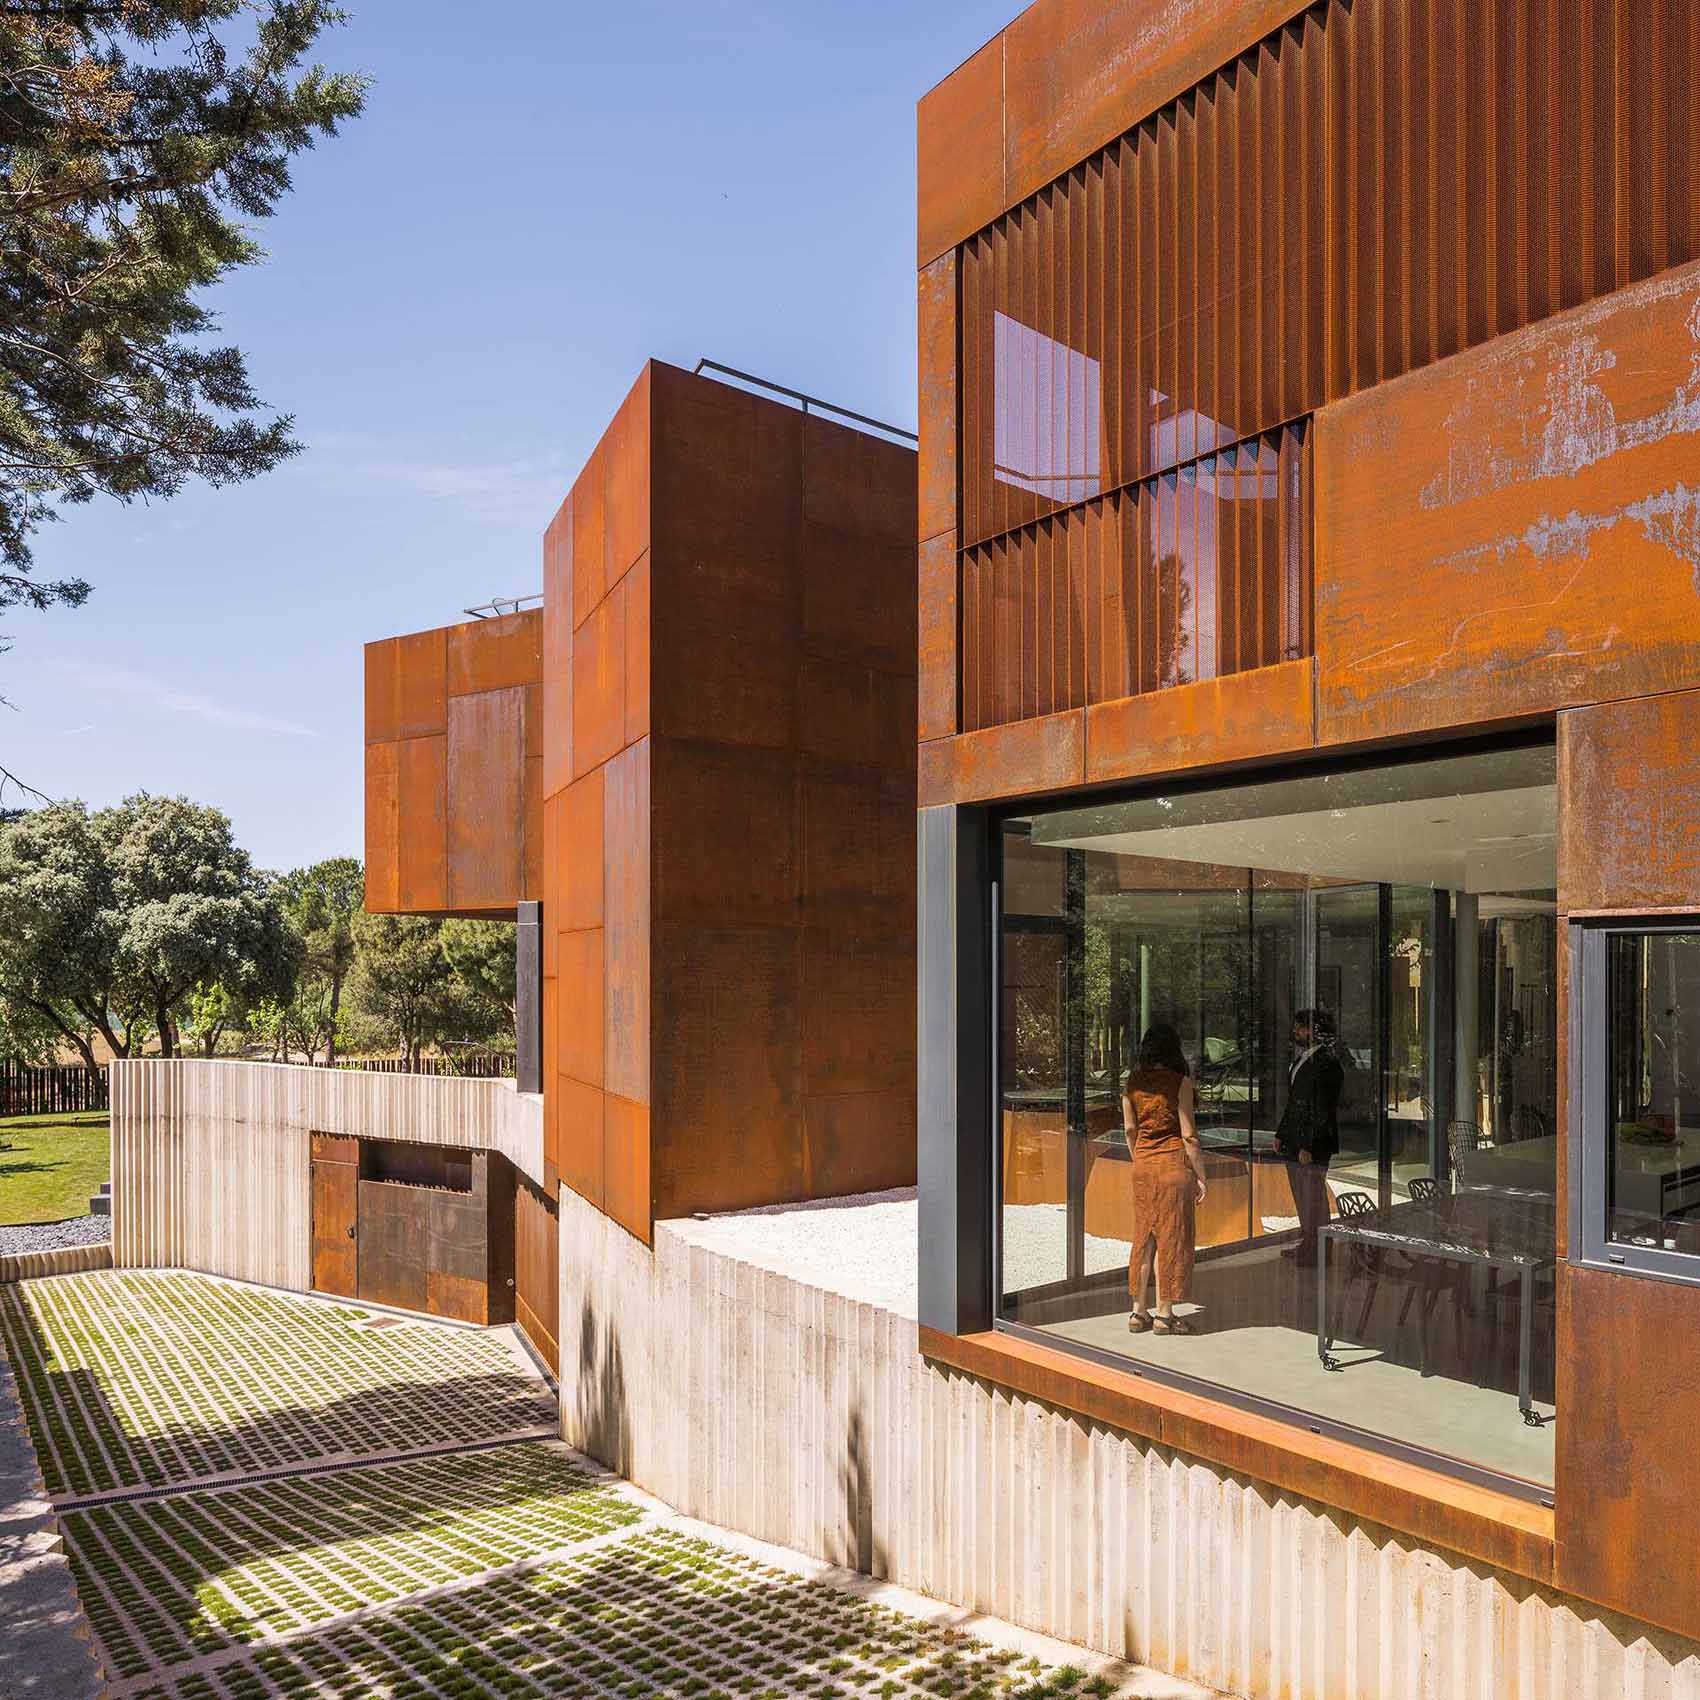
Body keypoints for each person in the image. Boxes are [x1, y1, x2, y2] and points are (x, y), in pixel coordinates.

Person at [1123, 1023, 1208, 1336]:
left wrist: (1139, 1156)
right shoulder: (1180, 1083)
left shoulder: (1132, 1082)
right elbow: (1189, 1136)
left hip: (1143, 1165)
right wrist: (1202, 1176)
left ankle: (1137, 1312)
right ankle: (1164, 1314)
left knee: (1143, 1238)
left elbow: (1130, 1130)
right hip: (1173, 1165)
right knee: (1171, 1238)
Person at [1276, 1007, 1345, 1265]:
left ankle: (1319, 1250)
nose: (1296, 1032)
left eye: (1301, 1027)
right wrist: (1282, 1133)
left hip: (1313, 1143)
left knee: (1313, 1196)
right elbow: (1295, 1101)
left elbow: (1321, 1109)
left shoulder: (1327, 1064)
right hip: (1295, 1141)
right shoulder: (1303, 1059)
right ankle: (1309, 1243)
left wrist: (1307, 1145)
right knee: (1303, 1196)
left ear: (1315, 1031)